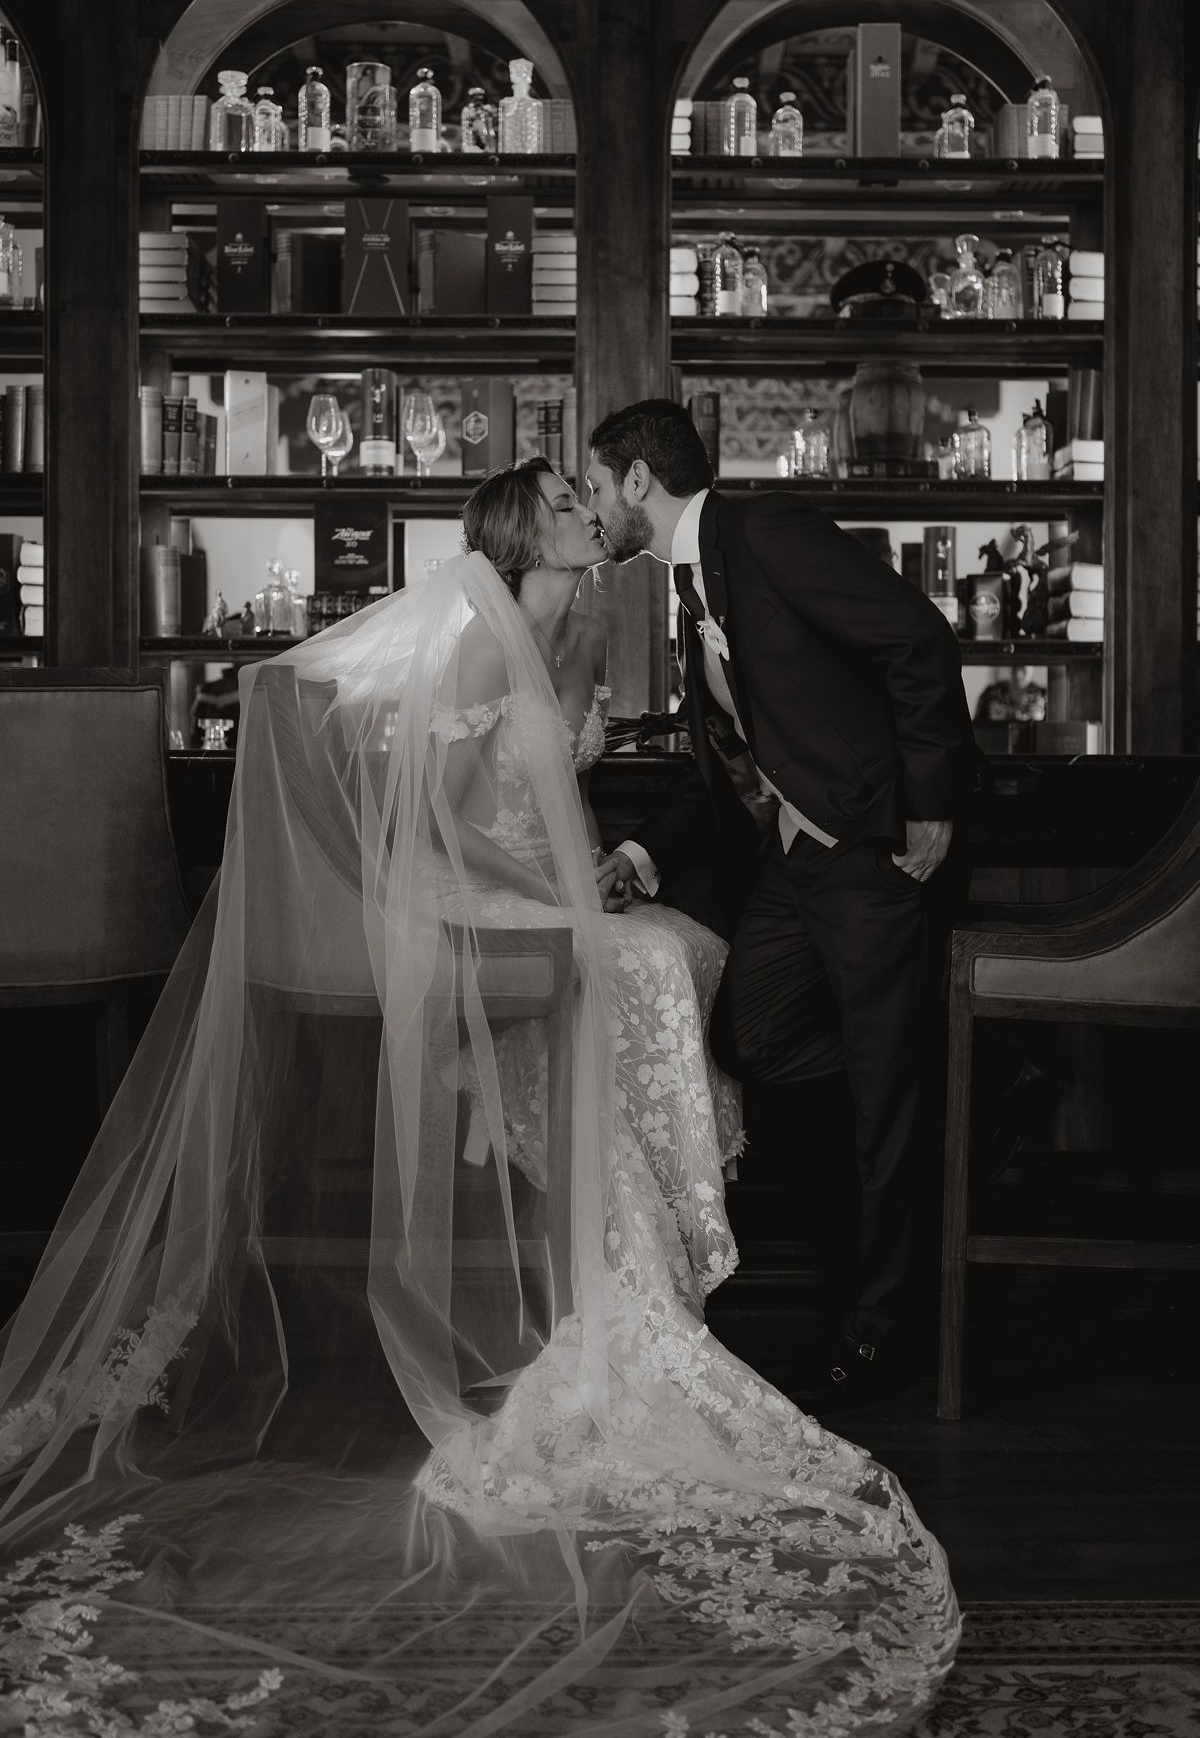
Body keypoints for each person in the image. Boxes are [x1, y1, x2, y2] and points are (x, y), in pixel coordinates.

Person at [0, 460, 958, 1735]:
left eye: (587, 494)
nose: (588, 509)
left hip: (551, 887)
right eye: (566, 500)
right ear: (526, 532)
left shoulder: (591, 634)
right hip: (462, 897)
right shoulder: (470, 638)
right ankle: (627, 1275)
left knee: (682, 952)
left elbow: (587, 792)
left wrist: (600, 872)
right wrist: (559, 889)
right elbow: (437, 824)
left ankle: (642, 1258)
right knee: (646, 965)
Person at [587, 400, 983, 1402]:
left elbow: (919, 638)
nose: (593, 508)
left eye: (595, 486)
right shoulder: (692, 582)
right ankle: (944, 1070)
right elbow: (729, 758)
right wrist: (637, 850)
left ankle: (882, 1331)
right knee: (750, 1035)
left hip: (874, 857)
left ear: (638, 480)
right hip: (795, 867)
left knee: (886, 1106)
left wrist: (930, 805)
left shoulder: (764, 533)